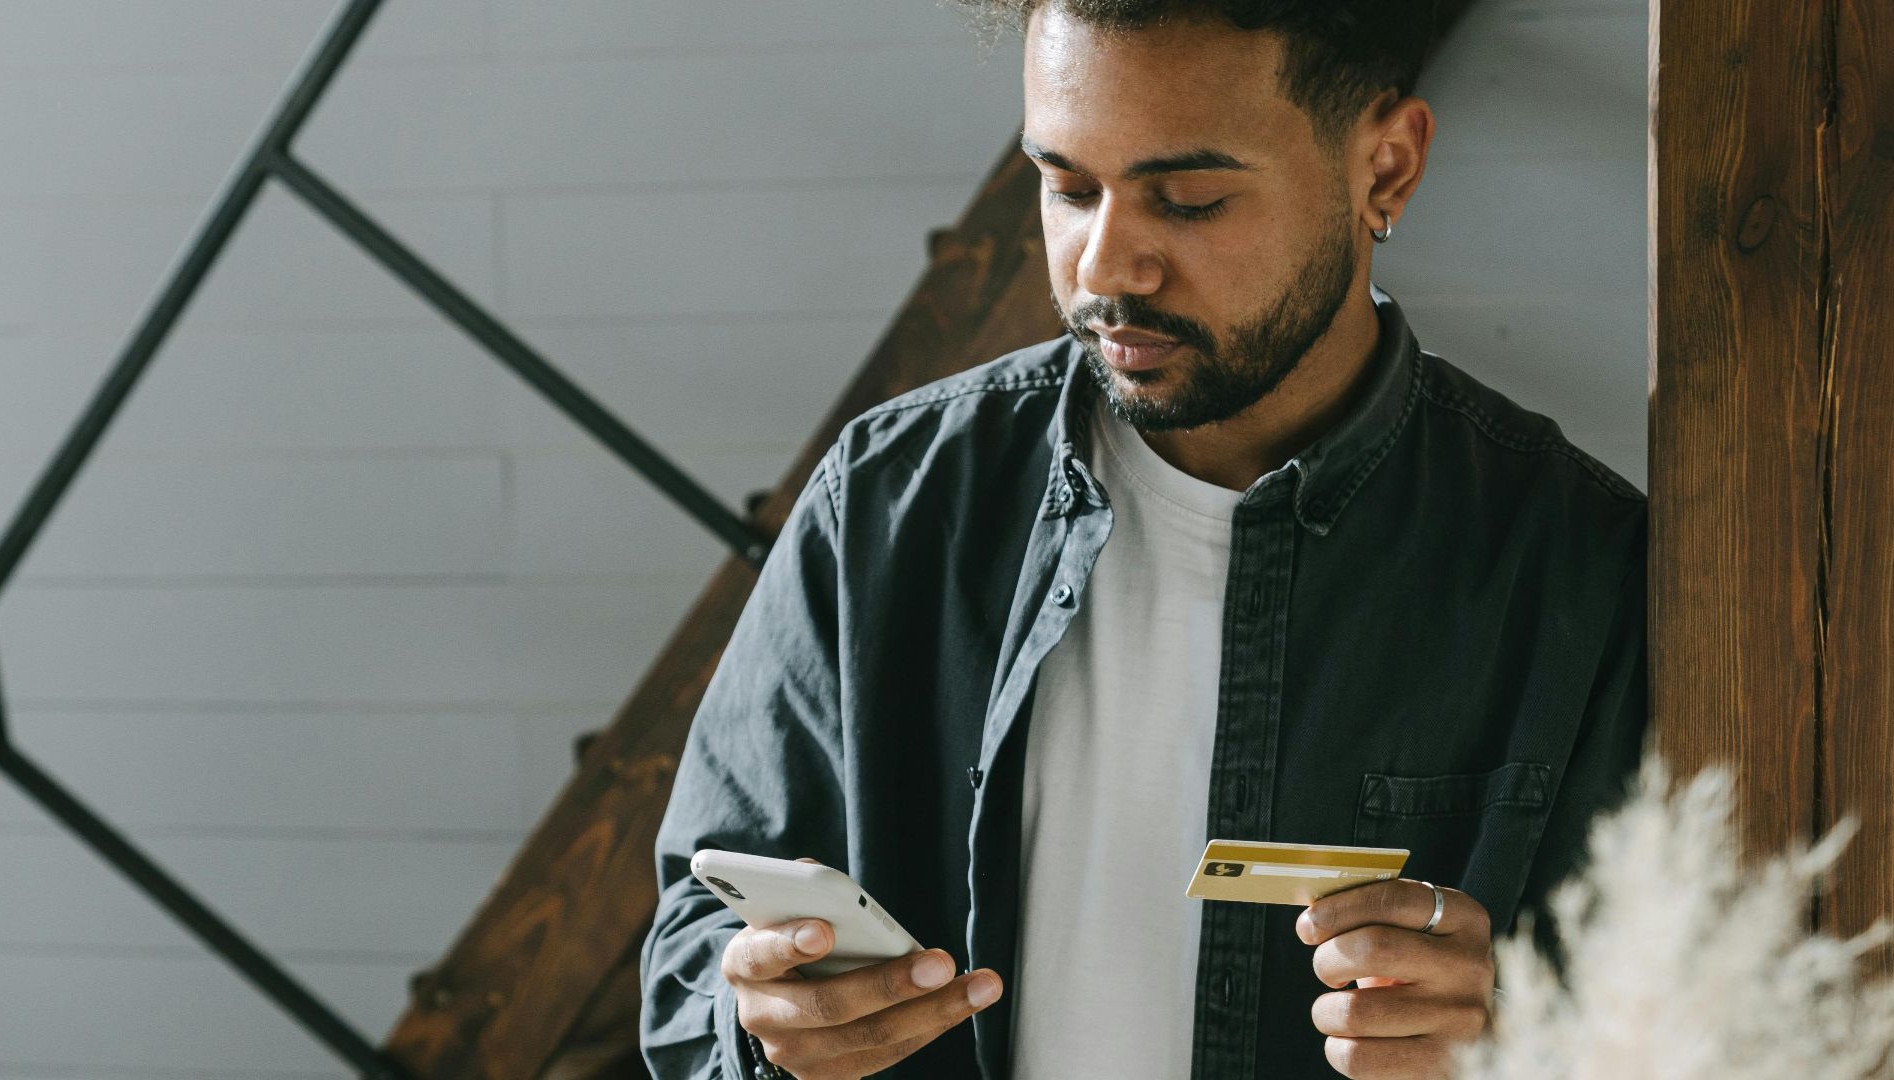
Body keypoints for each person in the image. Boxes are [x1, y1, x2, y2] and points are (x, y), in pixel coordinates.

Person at [639, 2, 1648, 1077]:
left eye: (1191, 200)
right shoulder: (888, 505)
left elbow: (1701, 1015)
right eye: (1068, 186)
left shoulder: (1576, 570)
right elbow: (690, 960)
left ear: (1386, 168)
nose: (1106, 264)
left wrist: (1529, 1036)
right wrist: (756, 1022)